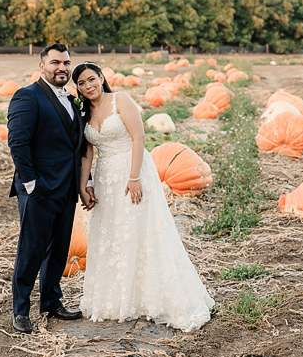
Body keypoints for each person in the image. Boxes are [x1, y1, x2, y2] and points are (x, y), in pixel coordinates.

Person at [73, 61, 214, 332]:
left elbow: (139, 138)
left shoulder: (120, 101)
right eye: (81, 83)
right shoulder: (84, 113)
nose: (88, 86)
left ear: (101, 78)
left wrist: (135, 177)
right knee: (113, 234)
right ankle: (118, 299)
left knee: (140, 229)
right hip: (106, 178)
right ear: (77, 87)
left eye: (92, 79)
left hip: (133, 169)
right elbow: (87, 152)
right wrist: (84, 185)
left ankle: (150, 297)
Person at [6, 44, 85, 333]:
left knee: (59, 249)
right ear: (42, 66)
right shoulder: (27, 96)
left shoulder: (72, 99)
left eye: (66, 62)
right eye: (55, 62)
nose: (62, 67)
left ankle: (51, 301)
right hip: (38, 188)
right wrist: (30, 184)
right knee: (32, 248)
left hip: (66, 187)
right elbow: (18, 142)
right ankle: (21, 310)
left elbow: (74, 146)